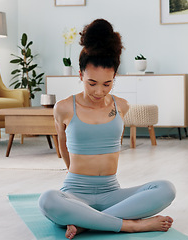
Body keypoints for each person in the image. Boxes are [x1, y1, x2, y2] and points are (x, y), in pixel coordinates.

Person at [38, 19, 176, 239]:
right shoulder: (63, 107)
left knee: (166, 188)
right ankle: (131, 225)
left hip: (112, 192)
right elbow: (62, 146)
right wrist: (73, 174)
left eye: (107, 84)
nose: (99, 91)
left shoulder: (121, 106)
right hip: (75, 193)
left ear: (114, 78)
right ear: (81, 74)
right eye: (92, 83)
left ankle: (85, 223)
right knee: (47, 200)